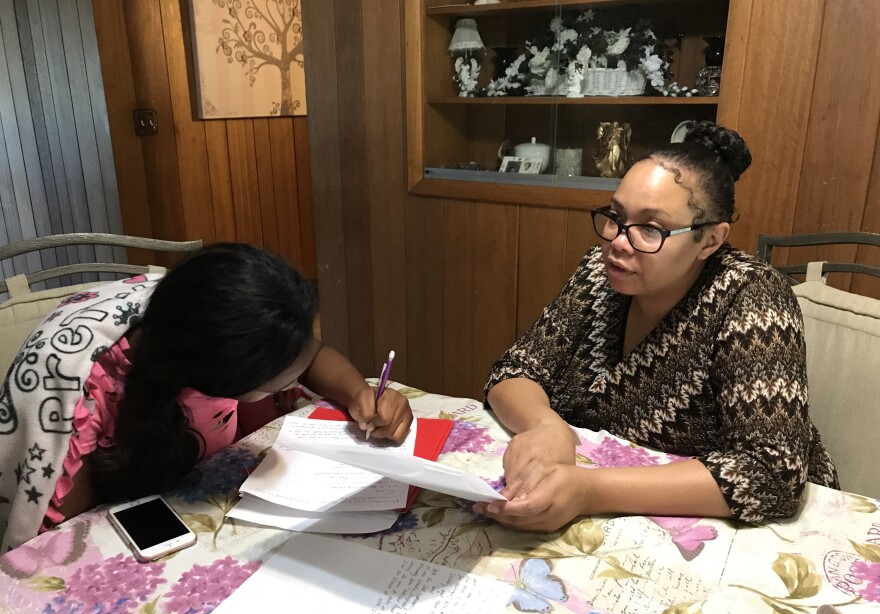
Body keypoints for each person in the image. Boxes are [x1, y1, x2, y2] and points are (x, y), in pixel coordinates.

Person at [476, 121, 838, 532]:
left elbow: (772, 473)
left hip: (753, 534)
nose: (618, 241)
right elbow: (515, 370)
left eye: (651, 228)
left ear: (710, 240)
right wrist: (545, 425)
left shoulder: (751, 296)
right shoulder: (600, 274)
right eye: (615, 217)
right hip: (614, 512)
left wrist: (590, 490)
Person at [0, 243, 413, 551]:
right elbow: (65, 544)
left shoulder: (212, 320)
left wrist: (361, 391)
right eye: (277, 389)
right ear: (209, 385)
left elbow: (310, 357)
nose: (294, 390)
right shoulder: (86, 406)